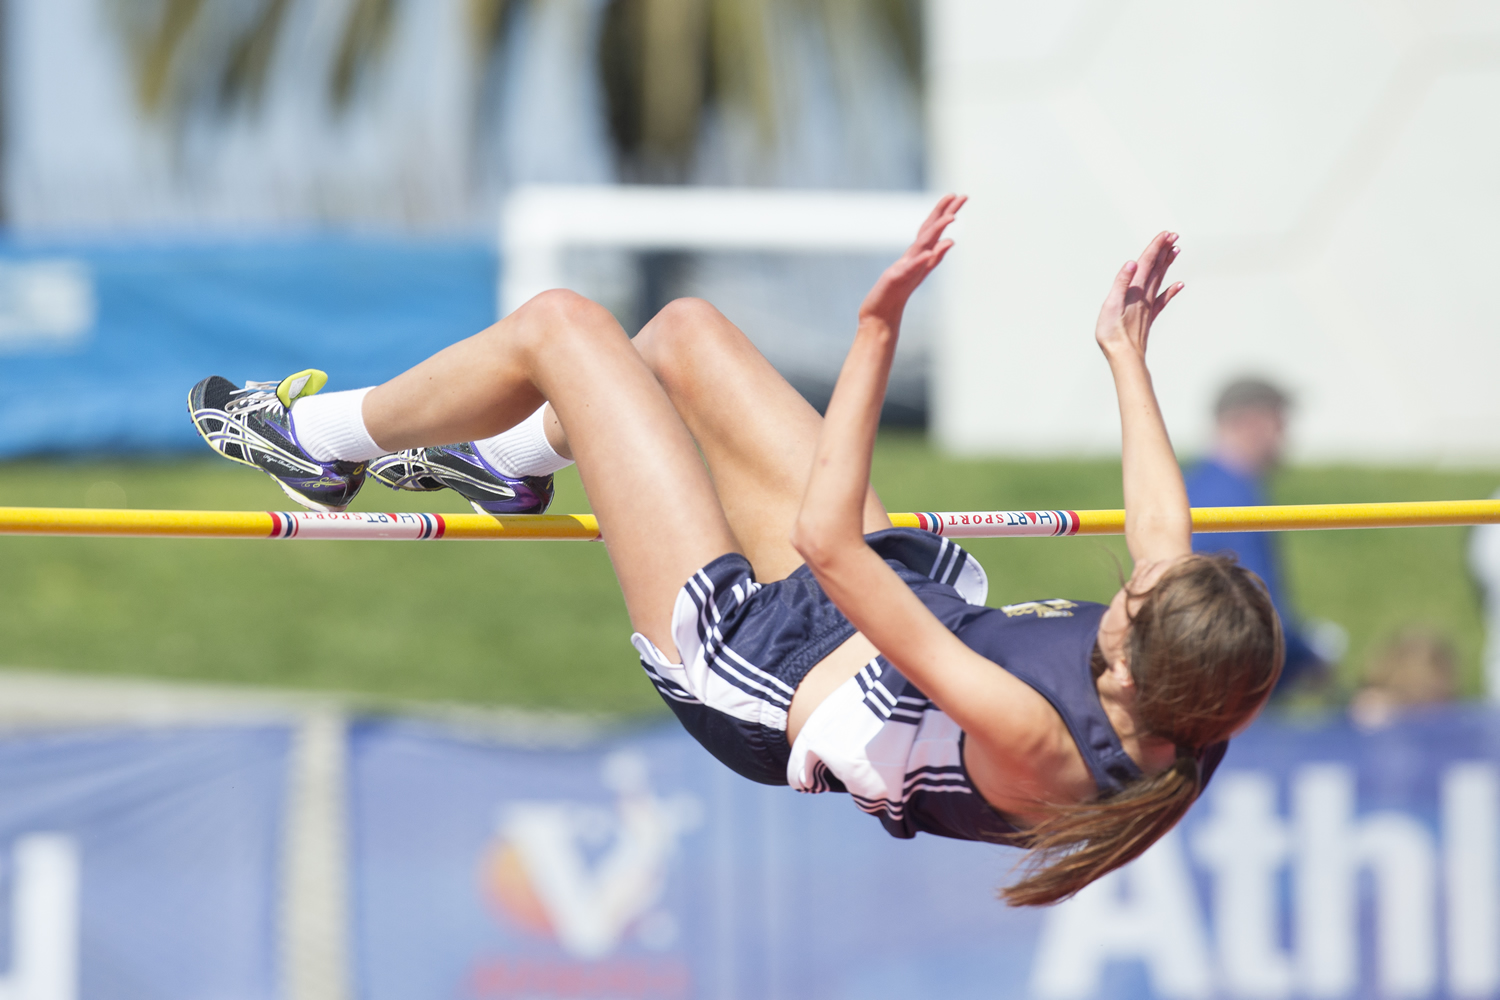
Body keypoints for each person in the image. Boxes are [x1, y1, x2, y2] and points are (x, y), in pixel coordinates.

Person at [187, 199, 1282, 906]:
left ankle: (314, 441)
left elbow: (830, 546)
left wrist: (874, 333)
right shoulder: (1194, 693)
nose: (1127, 590)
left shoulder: (1043, 741)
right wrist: (1124, 352)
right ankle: (507, 461)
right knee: (682, 337)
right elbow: (1158, 535)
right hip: (890, 607)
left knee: (565, 327)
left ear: (1134, 673)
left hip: (763, 664)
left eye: (1133, 610)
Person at [1184, 379, 1326, 694]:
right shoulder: (1235, 498)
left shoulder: (1190, 485)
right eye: (1280, 422)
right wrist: (1312, 658)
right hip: (1228, 680)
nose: (1285, 436)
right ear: (1252, 422)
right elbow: (1262, 610)